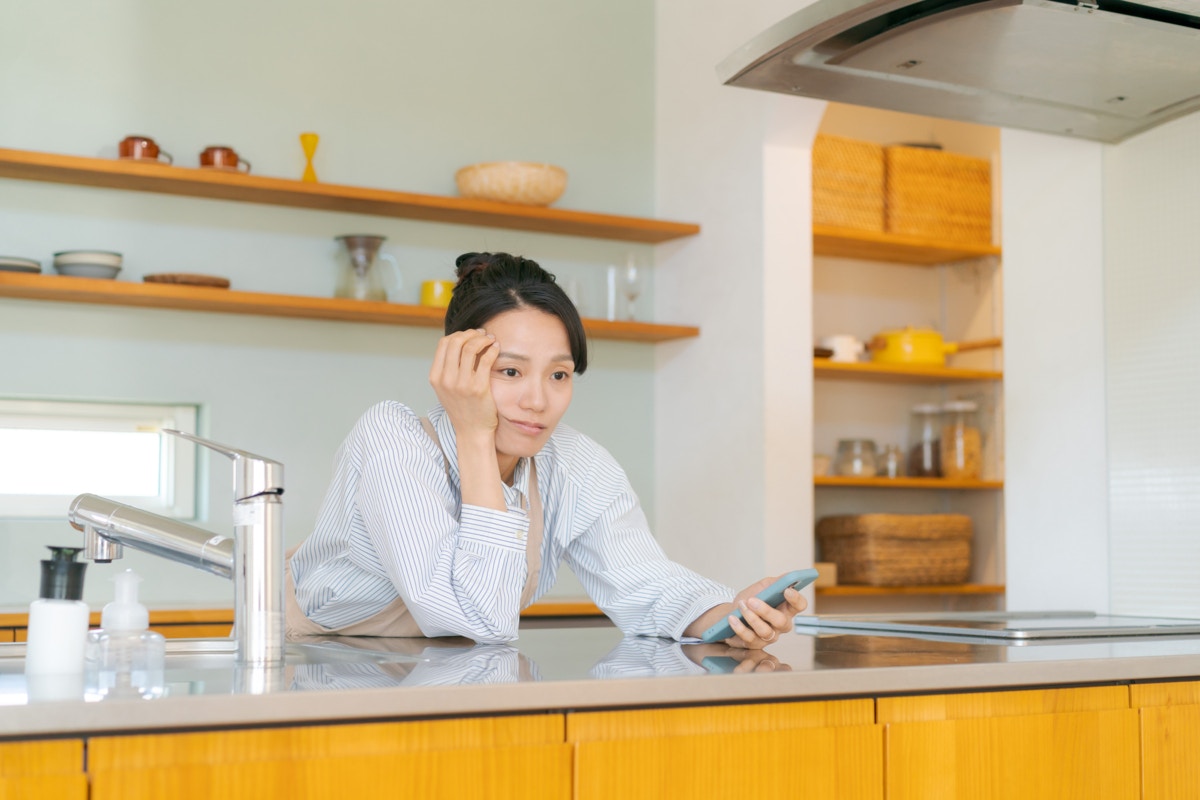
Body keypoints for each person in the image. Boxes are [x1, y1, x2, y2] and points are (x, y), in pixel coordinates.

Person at [287, 252, 806, 648]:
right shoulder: (392, 440)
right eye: (510, 371)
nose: (537, 400)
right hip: (312, 667)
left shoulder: (573, 462)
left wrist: (731, 615)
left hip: (444, 679)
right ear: (458, 367)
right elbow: (480, 618)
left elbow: (645, 582)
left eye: (559, 375)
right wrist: (473, 434)